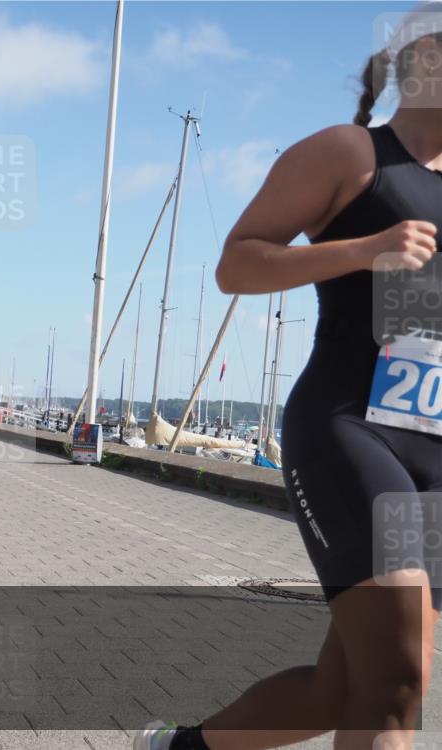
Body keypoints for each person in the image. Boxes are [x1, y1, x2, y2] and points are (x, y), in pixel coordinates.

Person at [136, 6, 442, 749]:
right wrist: (362, 249)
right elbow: (236, 264)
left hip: (433, 446)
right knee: (398, 681)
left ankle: (180, 748)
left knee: (346, 689)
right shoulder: (350, 153)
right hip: (351, 424)